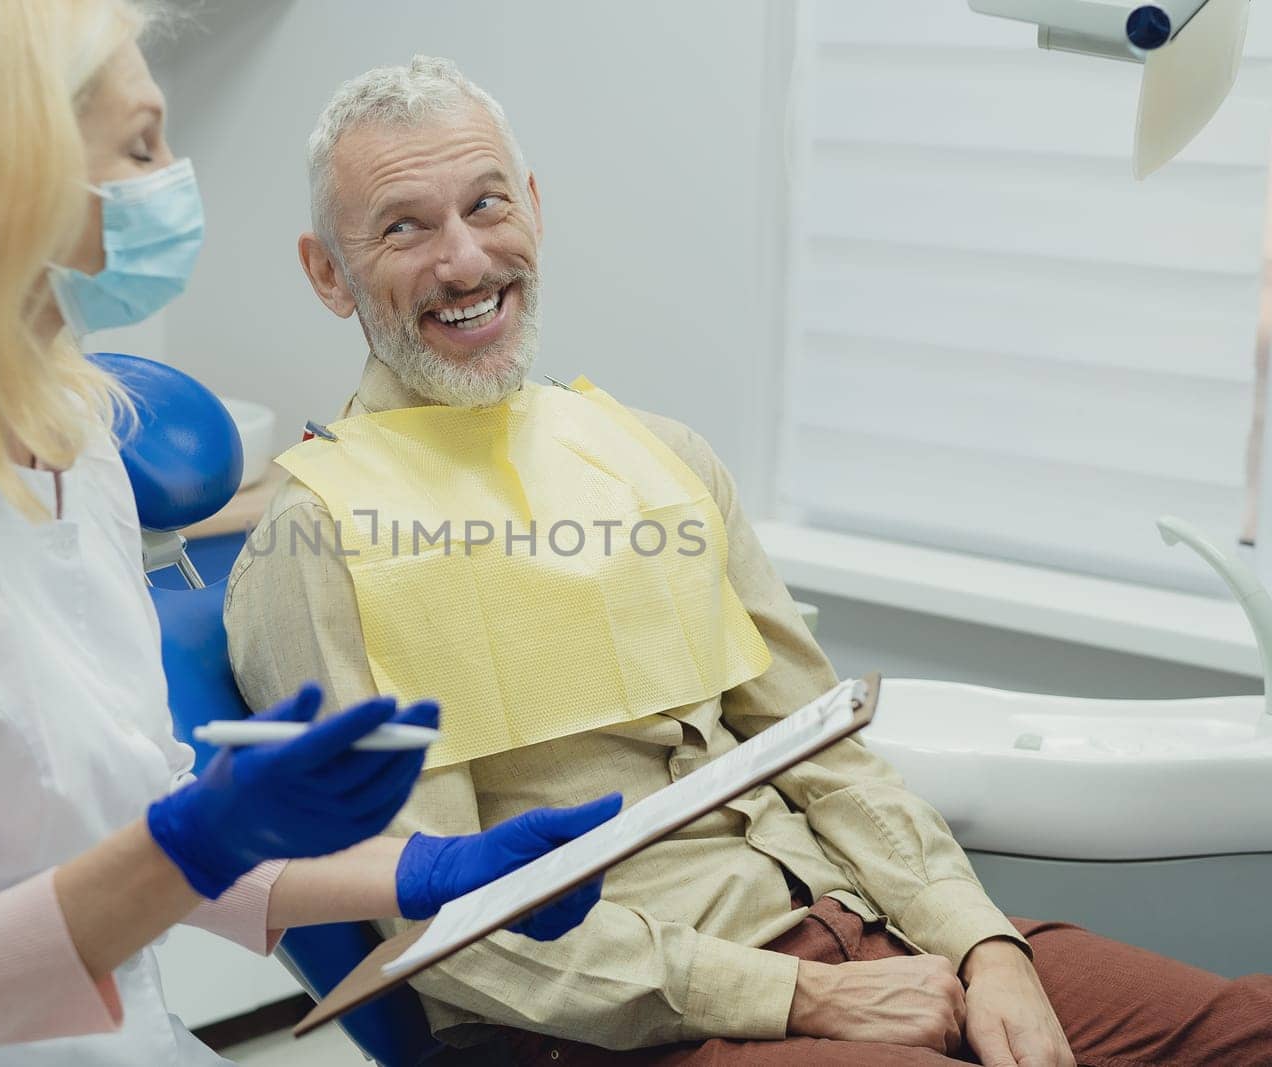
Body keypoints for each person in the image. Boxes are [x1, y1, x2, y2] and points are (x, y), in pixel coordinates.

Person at [224, 55, 1272, 1066]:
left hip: (861, 930)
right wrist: (798, 996)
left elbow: (821, 747)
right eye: (404, 227)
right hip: (626, 1018)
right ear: (328, 272)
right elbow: (443, 923)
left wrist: (981, 943)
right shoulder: (316, 542)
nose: (463, 260)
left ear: (534, 209)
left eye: (488, 205)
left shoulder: (660, 455)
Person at [0, 9, 622, 1066]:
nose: (174, 177)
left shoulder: (71, 439)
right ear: (1, 179)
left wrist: (433, 870)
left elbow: (138, 839)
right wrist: (194, 842)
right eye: (139, 146)